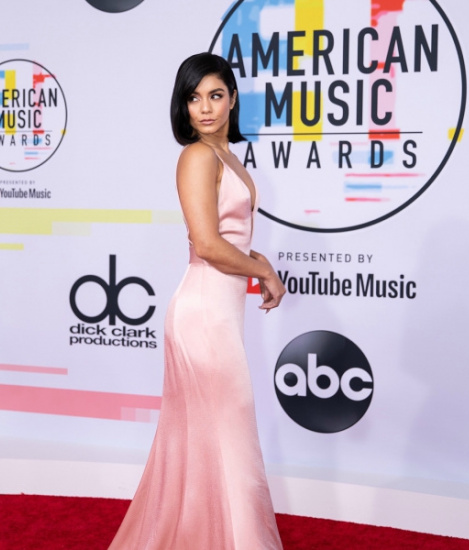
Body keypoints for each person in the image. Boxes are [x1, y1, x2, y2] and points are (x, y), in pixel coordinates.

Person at [107, 52, 285, 550]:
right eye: (193, 97)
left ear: (233, 99)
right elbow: (206, 244)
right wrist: (263, 272)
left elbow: (230, 235)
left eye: (215, 95)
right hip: (203, 315)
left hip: (220, 313)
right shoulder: (197, 156)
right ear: (183, 105)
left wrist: (256, 260)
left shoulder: (226, 155)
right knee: (229, 438)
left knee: (211, 441)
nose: (204, 108)